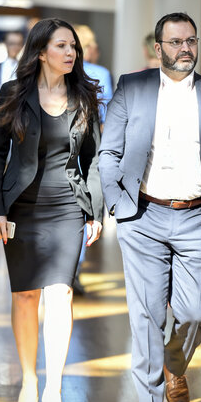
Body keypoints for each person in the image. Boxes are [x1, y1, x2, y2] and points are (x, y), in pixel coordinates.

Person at [99, 12, 201, 402]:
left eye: (191, 40)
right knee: (146, 314)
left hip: (198, 217)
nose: (185, 48)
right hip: (143, 216)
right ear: (158, 47)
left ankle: (174, 363)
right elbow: (108, 153)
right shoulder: (133, 87)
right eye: (176, 42)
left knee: (195, 311)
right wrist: (116, 203)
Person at [0, 18, 103, 402]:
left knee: (60, 295)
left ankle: (53, 389)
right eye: (61, 46)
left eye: (73, 46)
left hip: (68, 206)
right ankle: (28, 382)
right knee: (25, 297)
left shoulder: (84, 96)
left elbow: (93, 159)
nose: (71, 52)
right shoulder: (13, 94)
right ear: (40, 52)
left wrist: (95, 210)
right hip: (20, 208)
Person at [73, 24, 113, 294]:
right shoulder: (100, 74)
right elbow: (106, 116)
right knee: (83, 205)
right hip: (90, 146)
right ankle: (74, 270)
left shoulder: (64, 75)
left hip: (67, 147)